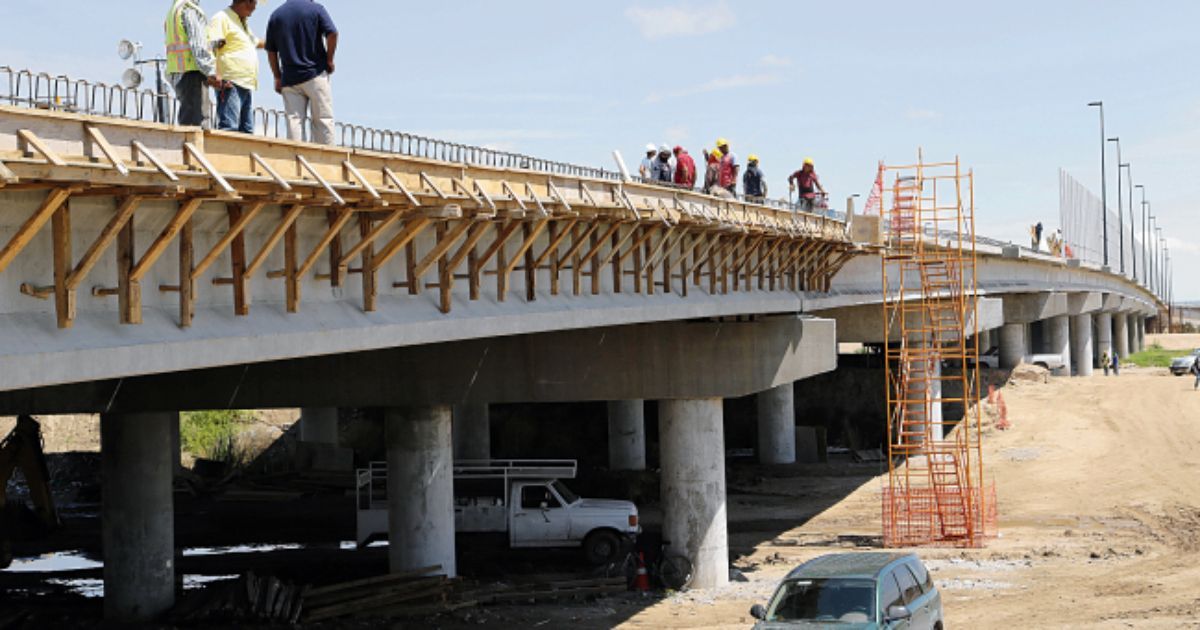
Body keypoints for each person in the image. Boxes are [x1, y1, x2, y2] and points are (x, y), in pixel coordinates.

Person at [266, 0, 338, 144]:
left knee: (294, 121)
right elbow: (333, 33)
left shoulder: (276, 15)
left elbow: (271, 50)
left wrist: (277, 76)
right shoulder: (316, 9)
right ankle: (326, 157)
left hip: (289, 79)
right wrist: (329, 60)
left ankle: (297, 156)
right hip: (315, 73)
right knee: (323, 119)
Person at [209, 0, 266, 133]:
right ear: (247, 2)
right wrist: (214, 74)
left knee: (246, 131)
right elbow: (211, 47)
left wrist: (279, 41)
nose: (255, 8)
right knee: (230, 128)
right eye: (255, 3)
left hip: (245, 83)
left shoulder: (242, 23)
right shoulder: (222, 18)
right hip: (231, 82)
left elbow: (256, 42)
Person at [164, 0, 221, 128]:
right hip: (192, 74)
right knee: (197, 124)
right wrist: (212, 72)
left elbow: (187, 42)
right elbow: (198, 47)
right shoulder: (189, 10)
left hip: (180, 73)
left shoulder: (175, 9)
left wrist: (213, 44)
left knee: (188, 119)